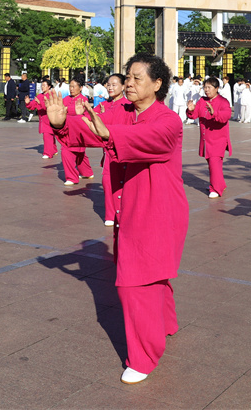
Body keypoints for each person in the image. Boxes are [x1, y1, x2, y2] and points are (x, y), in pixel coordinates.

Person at [47, 52, 185, 385]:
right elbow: (92, 131)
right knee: (151, 276)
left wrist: (108, 134)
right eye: (128, 78)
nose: (130, 83)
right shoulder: (124, 114)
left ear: (157, 83)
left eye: (138, 78)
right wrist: (61, 123)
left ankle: (144, 356)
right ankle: (166, 324)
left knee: (134, 284)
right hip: (131, 210)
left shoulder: (167, 120)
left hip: (156, 213)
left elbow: (141, 140)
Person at [186, 77, 231, 198]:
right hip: (206, 139)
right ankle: (219, 183)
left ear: (216, 88)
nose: (206, 90)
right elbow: (194, 114)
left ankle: (215, 188)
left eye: (209, 87)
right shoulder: (202, 100)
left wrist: (214, 113)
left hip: (218, 139)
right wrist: (190, 110)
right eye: (205, 87)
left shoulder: (223, 101)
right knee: (213, 163)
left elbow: (226, 116)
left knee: (214, 162)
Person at [94, 73, 129, 227]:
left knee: (125, 184)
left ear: (123, 86)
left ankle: (123, 214)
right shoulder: (106, 104)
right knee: (107, 182)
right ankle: (111, 214)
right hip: (108, 153)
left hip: (124, 152)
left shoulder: (128, 106)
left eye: (114, 84)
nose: (110, 87)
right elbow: (91, 118)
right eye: (108, 84)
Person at [61, 78, 94, 186]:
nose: (71, 89)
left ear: (80, 88)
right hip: (67, 130)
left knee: (68, 151)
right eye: (70, 86)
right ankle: (87, 172)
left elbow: (75, 111)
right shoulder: (66, 99)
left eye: (74, 86)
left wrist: (68, 110)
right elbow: (62, 109)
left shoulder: (83, 99)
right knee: (79, 153)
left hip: (79, 130)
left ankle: (72, 177)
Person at [26, 79, 59, 159]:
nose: (42, 87)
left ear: (49, 87)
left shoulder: (51, 96)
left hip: (50, 119)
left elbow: (50, 107)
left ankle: (48, 153)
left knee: (47, 136)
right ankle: (54, 150)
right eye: (42, 85)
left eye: (44, 85)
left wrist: (40, 103)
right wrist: (28, 103)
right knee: (50, 135)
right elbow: (33, 105)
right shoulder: (40, 96)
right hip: (43, 120)